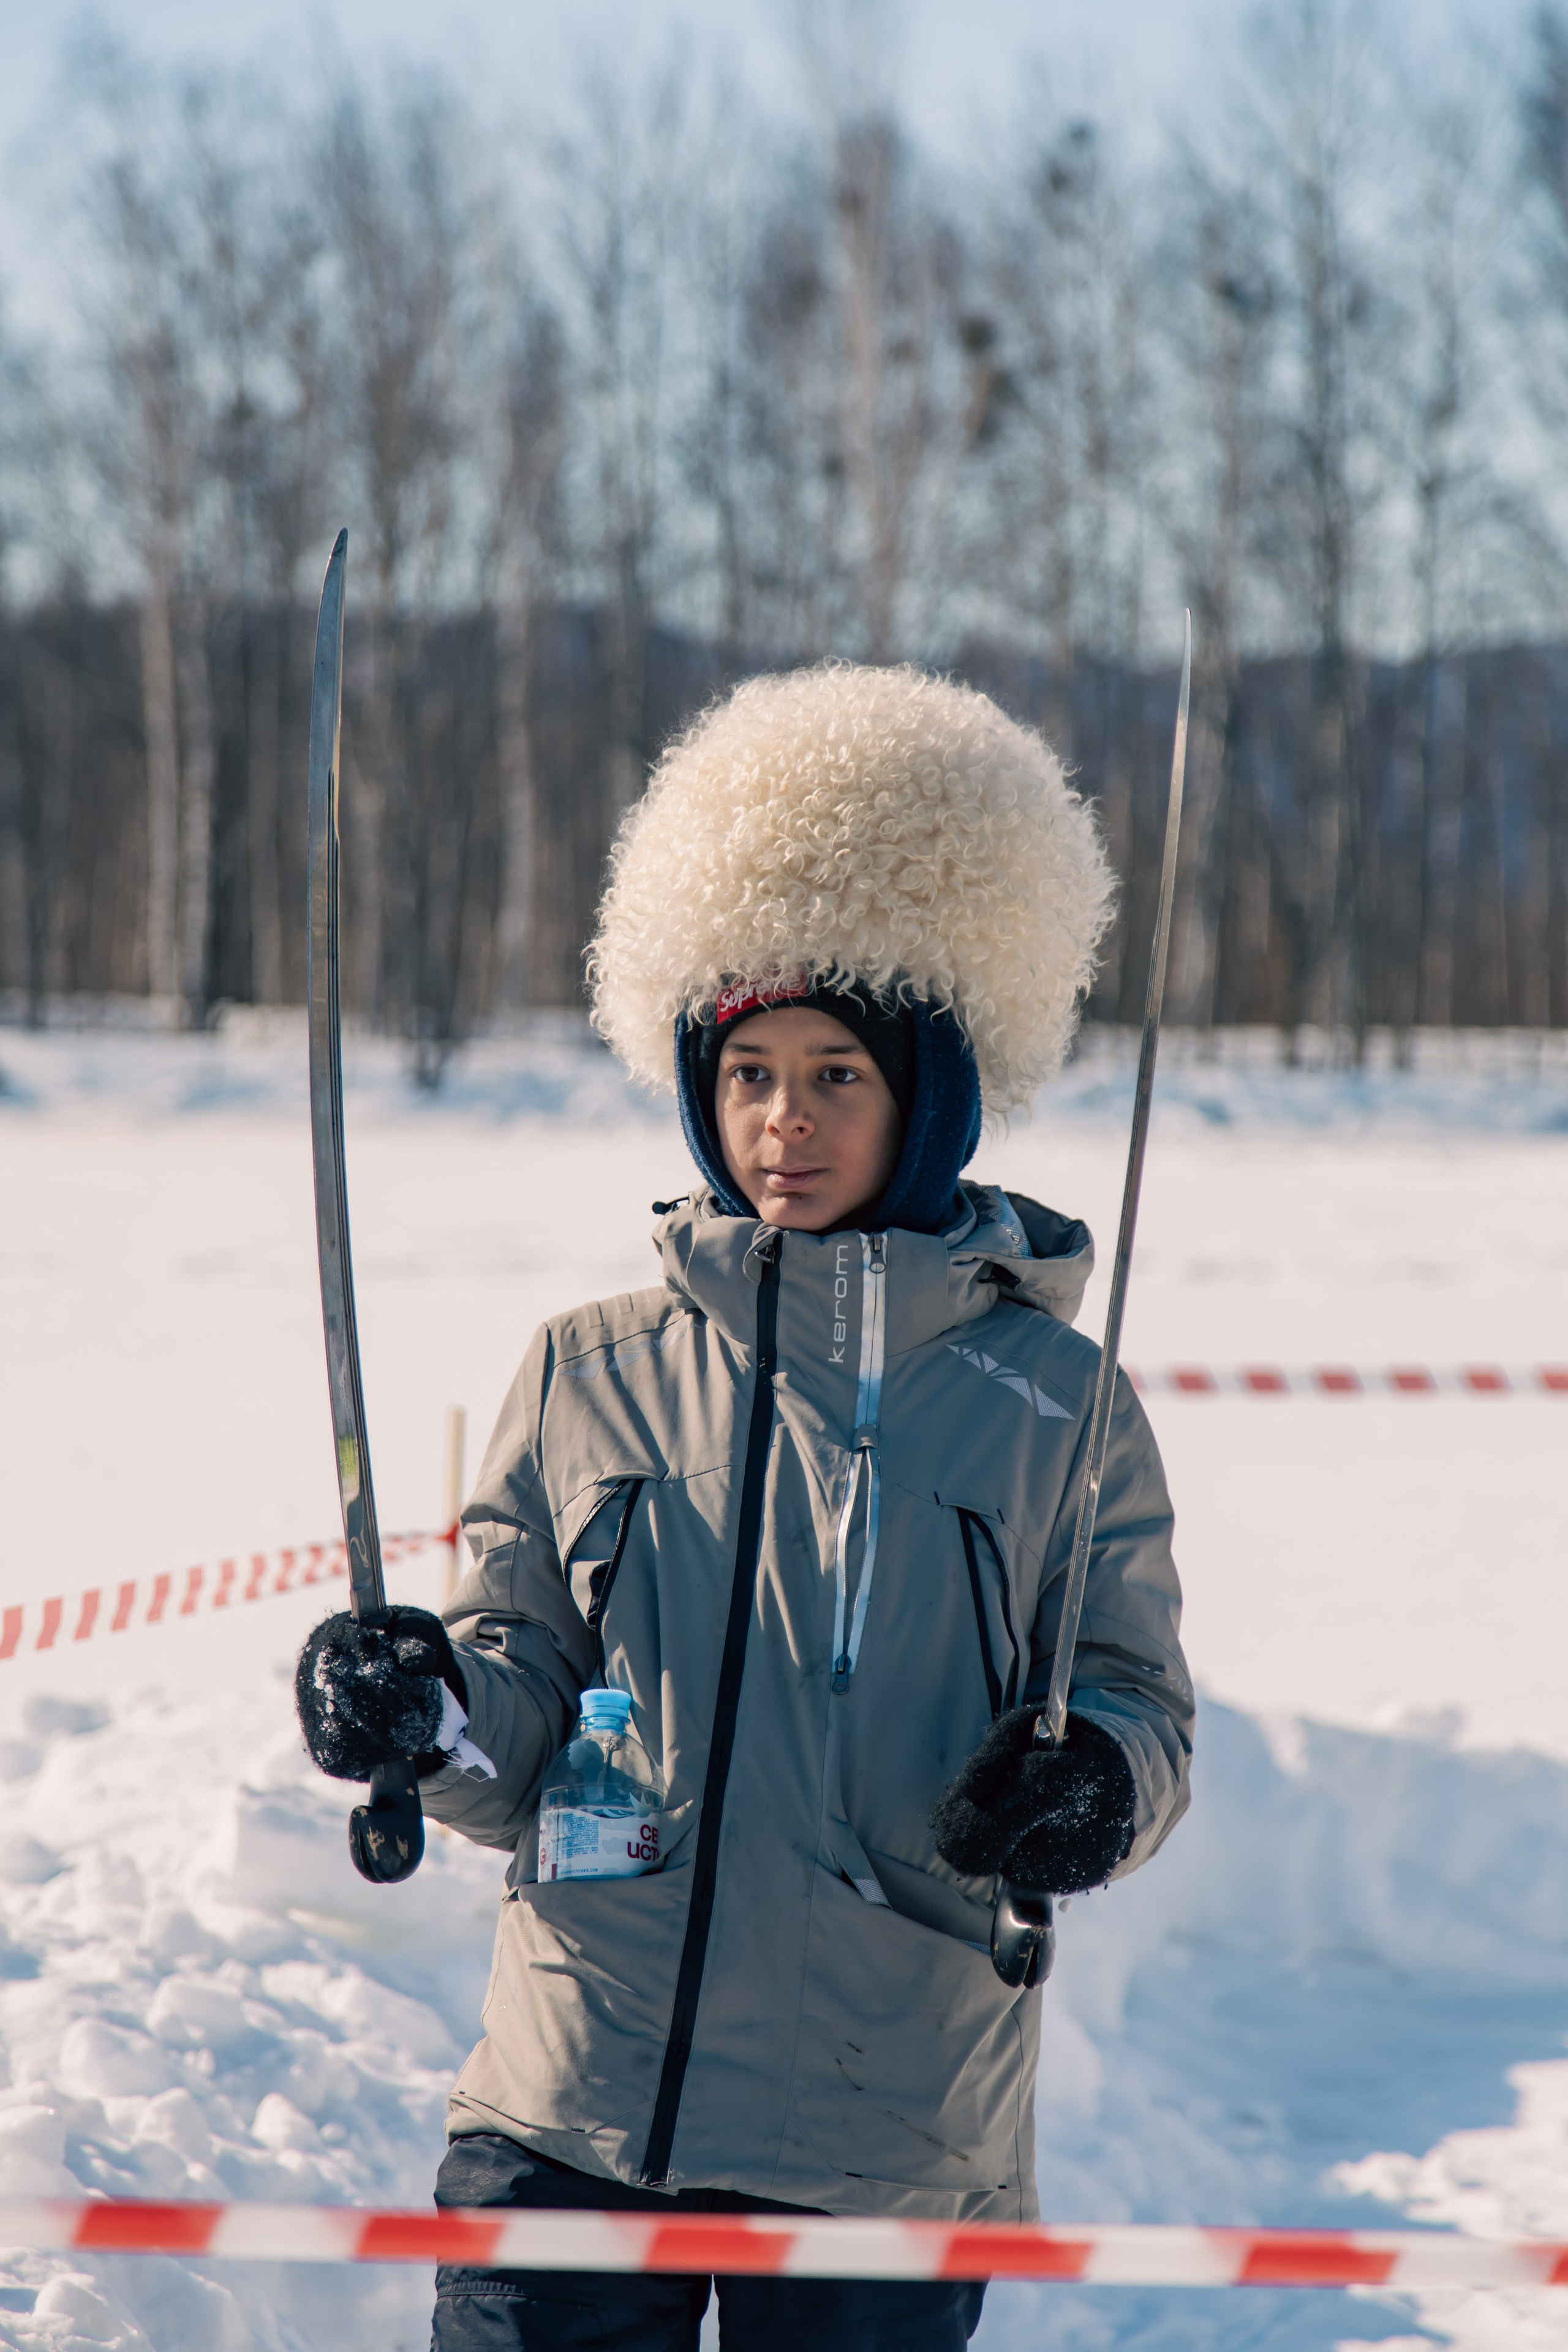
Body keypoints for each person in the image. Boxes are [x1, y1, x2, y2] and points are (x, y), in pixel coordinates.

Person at [295, 662, 1194, 2351]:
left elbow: (1144, 1714)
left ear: (928, 1088)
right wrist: (422, 1717)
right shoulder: (586, 1369)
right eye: (748, 1073)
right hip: (571, 2108)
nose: (782, 1121)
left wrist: (1091, 1789)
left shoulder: (1061, 1412)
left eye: (836, 1074)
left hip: (884, 2123)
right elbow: (520, 1719)